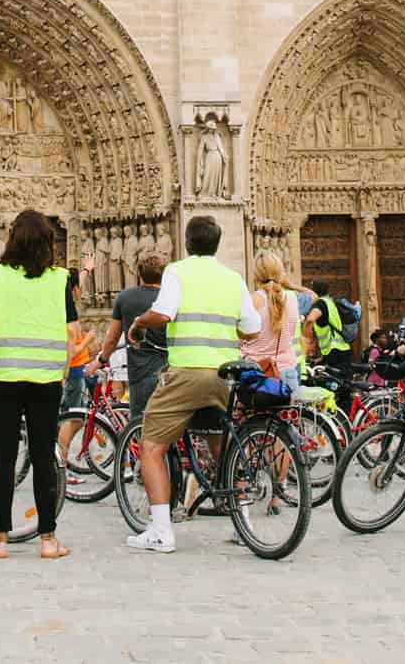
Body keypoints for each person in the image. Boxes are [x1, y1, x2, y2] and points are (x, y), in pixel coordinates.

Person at [123, 215, 260, 554]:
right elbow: (252, 327)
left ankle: (160, 531)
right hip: (224, 375)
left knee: (151, 447)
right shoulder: (232, 278)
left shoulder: (177, 272)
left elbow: (164, 313)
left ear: (186, 241)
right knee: (222, 446)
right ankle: (245, 524)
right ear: (216, 243)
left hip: (186, 372)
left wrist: (140, 321)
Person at [0, 208, 78, 561]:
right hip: (46, 379)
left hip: (4, 377)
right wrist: (63, 371)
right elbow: (70, 332)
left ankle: (0, 540)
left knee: (3, 457)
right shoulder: (60, 279)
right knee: (42, 458)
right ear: (48, 243)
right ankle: (48, 540)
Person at [95, 251, 167, 422]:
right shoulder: (170, 297)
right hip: (169, 370)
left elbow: (112, 338)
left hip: (140, 373)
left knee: (141, 428)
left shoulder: (125, 297)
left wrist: (101, 360)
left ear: (139, 273)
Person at [239, 252, 300, 393]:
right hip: (288, 371)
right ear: (280, 273)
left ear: (255, 276)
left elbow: (241, 337)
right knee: (291, 415)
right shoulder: (292, 299)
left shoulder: (252, 301)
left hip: (257, 375)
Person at [55, 283, 97, 470]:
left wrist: (87, 272)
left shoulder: (68, 309)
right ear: (73, 290)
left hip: (77, 370)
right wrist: (89, 339)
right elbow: (70, 352)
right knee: (73, 419)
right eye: (78, 288)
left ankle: (60, 459)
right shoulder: (65, 315)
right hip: (72, 371)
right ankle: (61, 463)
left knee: (76, 419)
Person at [305, 279, 355, 408]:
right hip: (339, 351)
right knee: (342, 389)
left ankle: (346, 423)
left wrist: (308, 338)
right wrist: (323, 358)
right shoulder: (330, 302)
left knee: (338, 390)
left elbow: (311, 319)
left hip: (337, 353)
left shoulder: (321, 304)